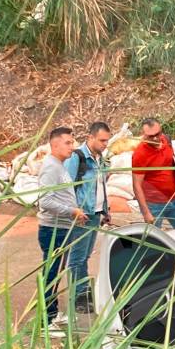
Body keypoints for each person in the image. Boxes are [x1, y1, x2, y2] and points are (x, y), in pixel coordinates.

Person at [37, 126, 87, 334]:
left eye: (72, 142)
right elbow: (45, 200)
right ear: (54, 144)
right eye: (67, 142)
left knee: (56, 272)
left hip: (62, 227)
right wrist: (72, 211)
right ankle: (45, 322)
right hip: (53, 229)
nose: (72, 146)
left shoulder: (60, 165)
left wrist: (74, 214)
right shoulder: (50, 167)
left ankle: (53, 313)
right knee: (51, 274)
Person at [64, 121, 111, 314]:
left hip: (95, 213)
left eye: (107, 141)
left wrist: (105, 209)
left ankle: (83, 292)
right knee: (77, 258)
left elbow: (101, 185)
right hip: (82, 215)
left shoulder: (99, 158)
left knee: (85, 256)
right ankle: (78, 297)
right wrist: (74, 210)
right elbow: (65, 187)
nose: (105, 144)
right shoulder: (77, 157)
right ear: (90, 137)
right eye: (101, 140)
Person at [131, 117, 175, 229]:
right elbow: (136, 185)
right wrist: (146, 213)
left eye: (157, 134)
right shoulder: (140, 154)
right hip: (154, 205)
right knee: (153, 238)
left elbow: (172, 155)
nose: (155, 138)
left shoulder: (166, 140)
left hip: (173, 198)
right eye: (150, 136)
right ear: (143, 134)